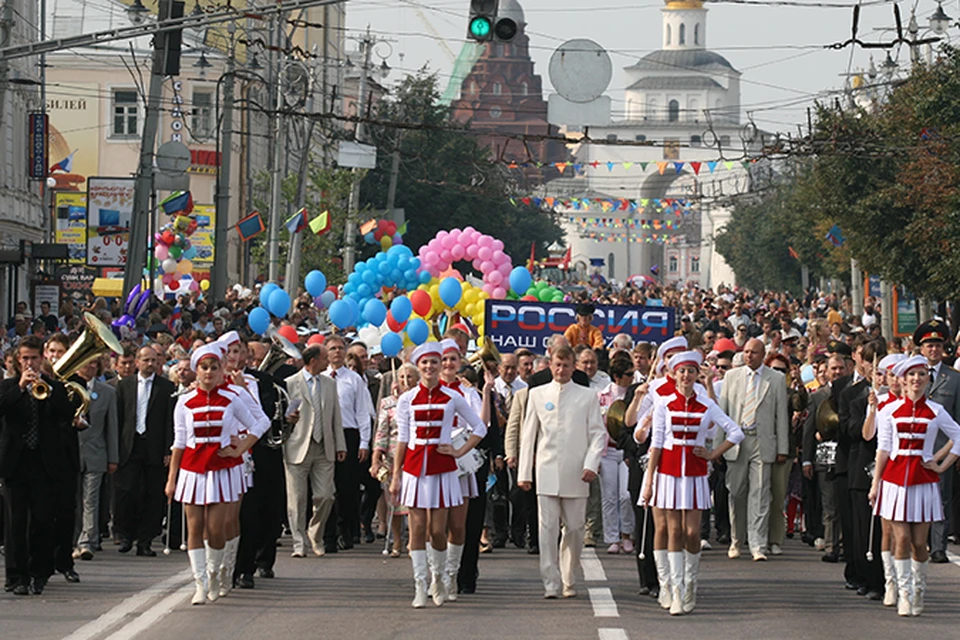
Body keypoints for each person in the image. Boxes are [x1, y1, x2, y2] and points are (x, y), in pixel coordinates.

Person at [643, 351, 743, 615]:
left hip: (696, 474)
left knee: (692, 533)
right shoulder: (663, 403)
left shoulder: (707, 404)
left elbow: (736, 432)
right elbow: (656, 444)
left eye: (691, 371)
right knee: (673, 530)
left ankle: (690, 586)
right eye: (682, 371)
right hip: (668, 472)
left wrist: (712, 453)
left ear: (698, 374)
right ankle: (673, 589)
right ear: (674, 374)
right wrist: (649, 480)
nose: (686, 376)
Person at [165, 345, 266, 605]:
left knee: (215, 528)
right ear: (196, 370)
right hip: (192, 470)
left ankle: (217, 571)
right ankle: (200, 583)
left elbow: (260, 423)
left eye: (214, 367)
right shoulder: (184, 401)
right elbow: (179, 441)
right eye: (204, 367)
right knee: (195, 527)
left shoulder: (232, 397)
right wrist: (171, 479)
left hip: (222, 470)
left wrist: (239, 450)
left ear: (222, 370)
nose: (209, 372)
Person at [389, 343, 485, 608]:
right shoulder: (406, 399)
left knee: (438, 530)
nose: (430, 367)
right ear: (418, 367)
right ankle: (420, 585)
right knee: (417, 528)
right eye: (425, 363)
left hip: (443, 469)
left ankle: (439, 578)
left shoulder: (453, 397)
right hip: (414, 468)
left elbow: (479, 427)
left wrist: (459, 450)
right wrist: (396, 475)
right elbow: (403, 439)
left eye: (434, 362)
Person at [869, 355, 960, 616]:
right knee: (902, 537)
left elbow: (957, 436)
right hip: (895, 482)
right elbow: (883, 449)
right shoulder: (888, 411)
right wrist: (876, 484)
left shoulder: (936, 411)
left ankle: (919, 588)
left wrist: (940, 464)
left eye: (921, 374)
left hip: (923, 482)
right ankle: (904, 594)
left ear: (927, 378)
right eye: (911, 375)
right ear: (903, 379)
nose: (916, 380)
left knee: (920, 543)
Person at [518, 345, 606, 599]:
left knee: (576, 528)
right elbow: (529, 435)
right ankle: (551, 581)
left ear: (573, 366)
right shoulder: (536, 394)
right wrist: (525, 473)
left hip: (577, 472)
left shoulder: (587, 396)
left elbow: (597, 434)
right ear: (550, 364)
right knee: (547, 529)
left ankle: (569, 574)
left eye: (566, 365)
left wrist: (591, 464)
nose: (561, 369)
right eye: (557, 364)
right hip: (545, 470)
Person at [1, 336, 73, 595]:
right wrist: (20, 388)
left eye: (34, 358)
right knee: (15, 522)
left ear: (42, 359)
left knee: (43, 520)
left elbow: (67, 414)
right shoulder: (8, 386)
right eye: (25, 359)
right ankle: (16, 576)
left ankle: (38, 572)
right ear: (18, 361)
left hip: (44, 464)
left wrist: (48, 389)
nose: (29, 363)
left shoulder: (55, 387)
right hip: (15, 463)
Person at [717, 338, 789, 561]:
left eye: (754, 352)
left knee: (760, 492)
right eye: (746, 352)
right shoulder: (732, 376)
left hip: (762, 440)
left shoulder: (775, 379)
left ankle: (758, 544)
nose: (749, 356)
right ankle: (737, 540)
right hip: (736, 441)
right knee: (736, 492)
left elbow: (781, 416)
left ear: (763, 354)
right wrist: (719, 447)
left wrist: (782, 447)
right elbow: (723, 412)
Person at [283, 345, 345, 558]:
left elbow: (336, 415)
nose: (328, 362)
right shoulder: (291, 383)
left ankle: (315, 534)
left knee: (326, 496)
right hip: (297, 446)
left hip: (323, 446)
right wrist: (287, 418)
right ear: (313, 361)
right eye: (325, 358)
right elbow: (284, 413)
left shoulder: (329, 383)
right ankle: (299, 544)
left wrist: (340, 445)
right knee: (297, 499)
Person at [114, 346, 176, 557]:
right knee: (127, 491)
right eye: (146, 360)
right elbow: (119, 417)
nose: (150, 364)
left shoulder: (166, 387)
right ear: (137, 362)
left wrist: (169, 448)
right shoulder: (124, 386)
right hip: (130, 445)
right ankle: (125, 535)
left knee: (153, 495)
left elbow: (170, 420)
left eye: (154, 360)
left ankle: (145, 541)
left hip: (155, 446)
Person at [911, 320, 960, 564]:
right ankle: (918, 542)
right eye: (929, 345)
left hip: (943, 449)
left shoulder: (953, 378)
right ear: (921, 348)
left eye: (938, 345)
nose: (933, 350)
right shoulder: (911, 374)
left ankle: (938, 546)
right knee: (914, 495)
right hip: (913, 448)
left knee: (941, 496)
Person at [323, 335, 376, 552]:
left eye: (340, 348)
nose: (337, 352)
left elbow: (363, 412)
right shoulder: (321, 377)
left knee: (347, 488)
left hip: (348, 434)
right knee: (325, 488)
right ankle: (328, 535)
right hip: (325, 436)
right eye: (332, 348)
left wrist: (364, 442)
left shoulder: (353, 379)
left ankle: (346, 531)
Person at [371, 362, 419, 557]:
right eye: (401, 377)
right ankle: (397, 540)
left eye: (409, 377)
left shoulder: (421, 400)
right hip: (392, 459)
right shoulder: (388, 403)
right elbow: (382, 432)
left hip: (415, 456)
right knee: (395, 503)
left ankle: (414, 540)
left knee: (414, 504)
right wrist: (376, 457)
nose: (405, 381)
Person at [73, 358, 119, 561]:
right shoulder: (68, 389)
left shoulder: (108, 393)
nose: (89, 366)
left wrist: (113, 458)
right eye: (86, 362)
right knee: (73, 501)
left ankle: (87, 542)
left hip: (96, 453)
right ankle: (73, 539)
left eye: (94, 364)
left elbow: (112, 427)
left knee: (90, 500)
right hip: (71, 453)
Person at [597, 351, 636, 554]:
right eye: (629, 374)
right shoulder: (602, 396)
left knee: (626, 495)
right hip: (607, 452)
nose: (633, 377)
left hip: (627, 452)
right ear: (617, 376)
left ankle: (627, 534)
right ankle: (612, 538)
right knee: (609, 496)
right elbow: (595, 427)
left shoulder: (635, 394)